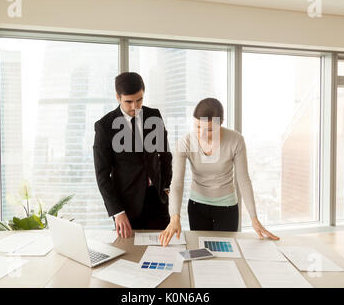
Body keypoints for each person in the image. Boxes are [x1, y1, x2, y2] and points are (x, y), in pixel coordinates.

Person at [159, 98, 279, 246]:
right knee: (201, 253)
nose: (201, 134)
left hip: (227, 208)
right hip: (197, 206)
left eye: (209, 130)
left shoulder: (236, 140)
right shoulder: (185, 142)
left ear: (220, 123)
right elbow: (177, 183)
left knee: (225, 254)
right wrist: (174, 217)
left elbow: (243, 180)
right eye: (197, 127)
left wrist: (254, 218)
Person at [93, 72, 172, 238]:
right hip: (127, 205)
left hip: (157, 200)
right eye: (128, 102)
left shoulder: (154, 116)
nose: (135, 107)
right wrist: (117, 211)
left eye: (139, 100)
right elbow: (102, 175)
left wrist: (165, 186)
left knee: (163, 251)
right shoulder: (104, 126)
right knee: (129, 255)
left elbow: (165, 155)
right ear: (117, 97)